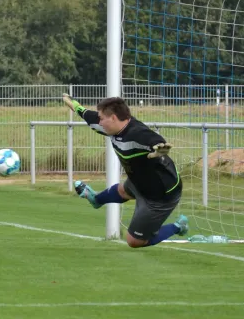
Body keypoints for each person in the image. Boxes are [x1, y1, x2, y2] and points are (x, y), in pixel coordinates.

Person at [63, 93, 188, 248]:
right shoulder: (110, 127)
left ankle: (178, 227)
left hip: (161, 194)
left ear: (113, 118)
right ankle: (96, 200)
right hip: (139, 181)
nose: (99, 121)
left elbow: (153, 140)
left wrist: (159, 150)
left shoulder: (136, 133)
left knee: (134, 241)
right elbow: (86, 114)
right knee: (123, 190)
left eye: (102, 118)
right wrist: (74, 105)